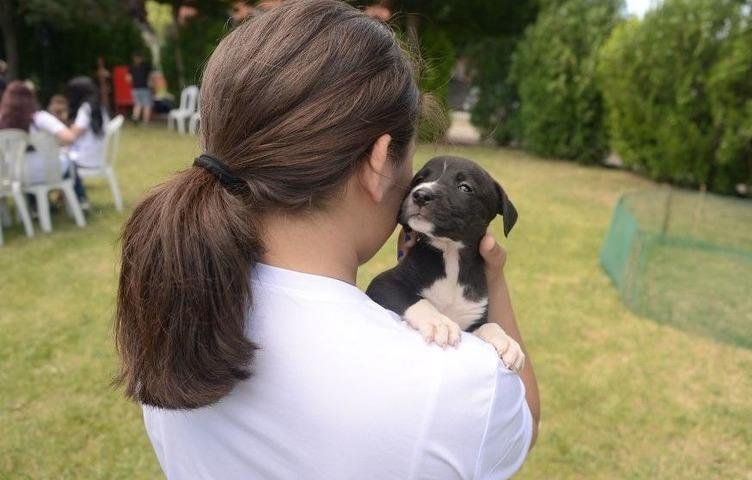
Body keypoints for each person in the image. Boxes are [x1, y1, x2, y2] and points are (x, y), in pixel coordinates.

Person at [114, 1, 540, 479]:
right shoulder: (455, 384)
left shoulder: (174, 313)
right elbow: (521, 422)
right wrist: (494, 280)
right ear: (380, 161)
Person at [0, 81, 83, 195]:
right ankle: (80, 200)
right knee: (70, 163)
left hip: (15, 175)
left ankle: (33, 205)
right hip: (48, 171)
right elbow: (69, 138)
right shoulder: (40, 118)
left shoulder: (2, 121)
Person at [66, 76, 110, 210]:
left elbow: (73, 135)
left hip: (85, 157)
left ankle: (79, 198)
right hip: (97, 154)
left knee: (61, 161)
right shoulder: (99, 106)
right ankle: (69, 197)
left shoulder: (85, 109)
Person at [127, 51, 152, 125]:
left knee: (137, 104)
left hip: (135, 88)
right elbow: (150, 77)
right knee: (147, 105)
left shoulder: (131, 67)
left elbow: (128, 79)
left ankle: (135, 117)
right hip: (144, 88)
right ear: (142, 58)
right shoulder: (146, 66)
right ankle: (145, 121)